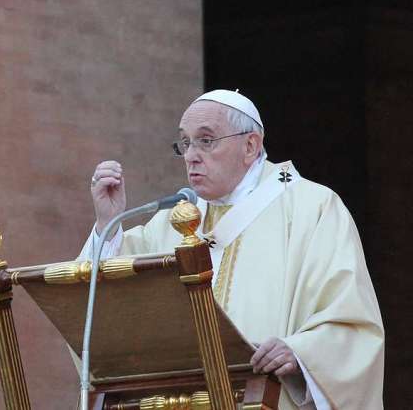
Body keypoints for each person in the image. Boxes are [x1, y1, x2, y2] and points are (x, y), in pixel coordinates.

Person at [78, 90, 384, 409]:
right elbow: (101, 313)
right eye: (185, 142)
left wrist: (301, 352)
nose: (191, 155)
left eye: (206, 141)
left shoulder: (313, 209)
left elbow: (352, 323)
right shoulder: (171, 221)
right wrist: (108, 223)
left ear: (250, 145)